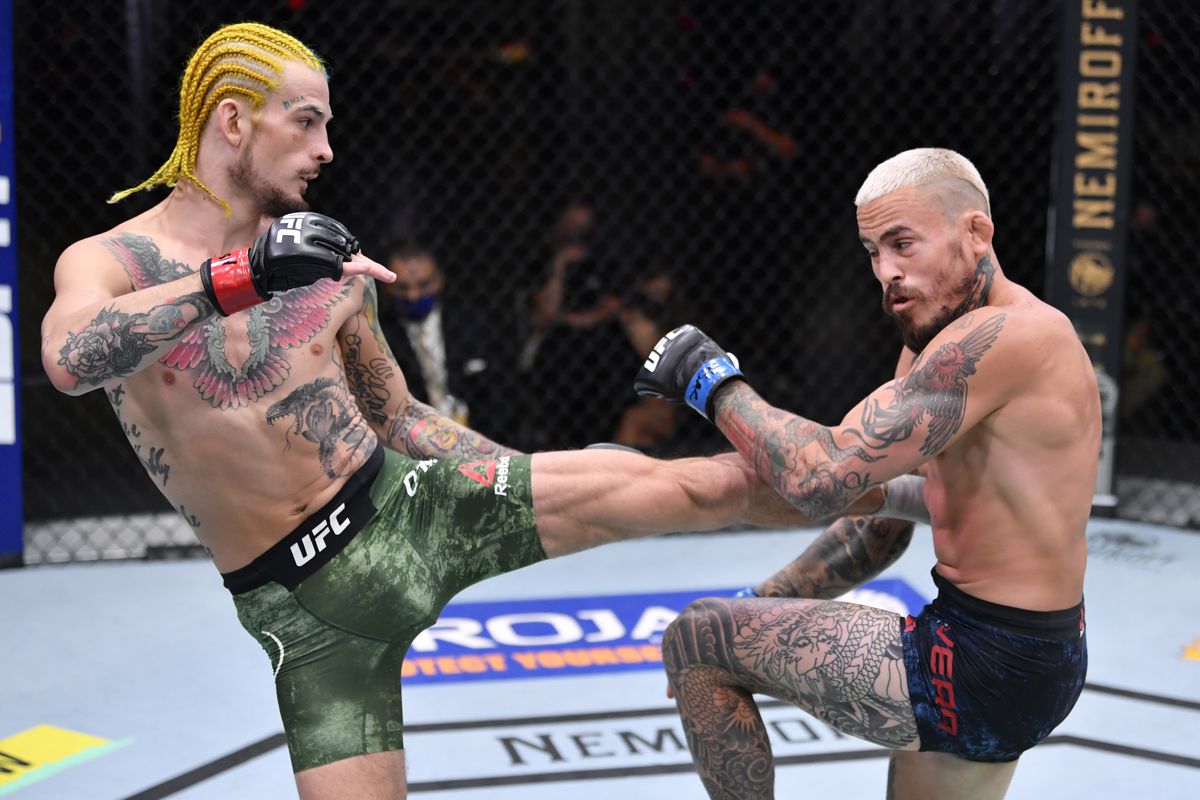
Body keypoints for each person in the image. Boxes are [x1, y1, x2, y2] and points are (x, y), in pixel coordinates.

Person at [37, 22, 897, 800]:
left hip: (413, 509)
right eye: (305, 122)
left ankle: (902, 485)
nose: (326, 148)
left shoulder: (324, 260)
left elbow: (398, 416)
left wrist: (507, 479)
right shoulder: (112, 261)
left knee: (688, 486)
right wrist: (243, 277)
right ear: (233, 120)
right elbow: (70, 361)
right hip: (305, 613)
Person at [634, 147, 1100, 799]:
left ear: (976, 232)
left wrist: (708, 379)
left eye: (903, 244)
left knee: (696, 640)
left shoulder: (1010, 338)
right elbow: (876, 524)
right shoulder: (936, 341)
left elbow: (822, 476)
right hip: (1018, 653)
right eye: (873, 251)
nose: (886, 271)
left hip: (986, 660)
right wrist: (766, 599)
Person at [377, 241, 508, 438]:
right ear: (387, 288)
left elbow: (498, 394)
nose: (413, 296)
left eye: (423, 285)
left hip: (475, 433)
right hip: (410, 437)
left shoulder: (471, 325)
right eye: (402, 288)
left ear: (439, 281)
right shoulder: (379, 334)